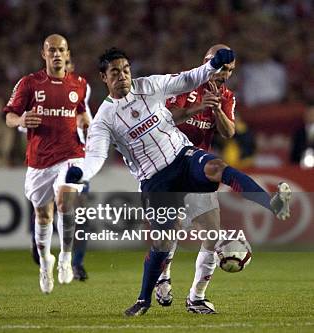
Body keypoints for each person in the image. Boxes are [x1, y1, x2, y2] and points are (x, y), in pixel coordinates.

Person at [65, 47, 292, 316]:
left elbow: (187, 78)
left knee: (216, 169)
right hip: (154, 179)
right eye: (116, 72)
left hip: (183, 156)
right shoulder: (104, 118)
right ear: (104, 77)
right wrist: (81, 172)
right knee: (162, 242)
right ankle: (143, 300)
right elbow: (96, 155)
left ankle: (272, 203)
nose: (123, 76)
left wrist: (212, 67)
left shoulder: (149, 85)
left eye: (126, 70)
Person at [154, 44, 238, 313]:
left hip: (199, 170)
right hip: (171, 165)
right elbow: (166, 118)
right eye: (222, 68)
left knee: (212, 232)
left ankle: (196, 297)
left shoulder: (226, 96)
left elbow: (229, 132)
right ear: (207, 62)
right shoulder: (184, 84)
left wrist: (216, 110)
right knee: (172, 228)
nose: (225, 74)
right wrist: (199, 106)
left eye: (230, 70)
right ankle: (163, 276)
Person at [4, 34, 90, 294]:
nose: (56, 54)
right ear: (44, 54)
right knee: (43, 215)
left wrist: (87, 122)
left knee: (66, 203)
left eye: (60, 50)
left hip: (72, 156)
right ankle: (45, 263)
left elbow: (82, 113)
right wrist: (20, 121)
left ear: (67, 54)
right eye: (51, 50)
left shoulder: (80, 84)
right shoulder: (29, 83)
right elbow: (9, 116)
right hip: (40, 161)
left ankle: (65, 257)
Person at [27, 58, 92, 281]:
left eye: (69, 67)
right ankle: (40, 249)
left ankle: (76, 263)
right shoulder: (40, 94)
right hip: (45, 160)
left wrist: (87, 129)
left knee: (76, 209)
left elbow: (89, 123)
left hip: (75, 160)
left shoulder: (80, 92)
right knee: (43, 210)